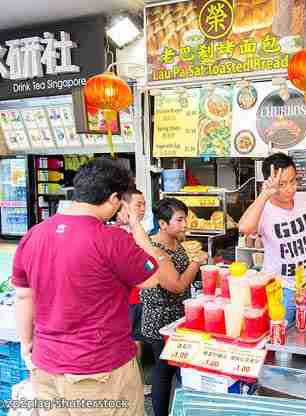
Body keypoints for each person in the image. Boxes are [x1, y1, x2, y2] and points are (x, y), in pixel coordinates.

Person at [12, 158, 181, 416]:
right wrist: (135, 224)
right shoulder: (111, 239)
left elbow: (24, 296)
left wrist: (27, 346)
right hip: (99, 371)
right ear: (115, 199)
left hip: (45, 367)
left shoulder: (34, 234)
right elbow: (152, 277)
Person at [141, 198, 206, 416]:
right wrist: (197, 262)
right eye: (179, 220)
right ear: (162, 224)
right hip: (159, 319)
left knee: (170, 368)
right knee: (166, 369)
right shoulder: (154, 249)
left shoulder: (177, 243)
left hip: (178, 317)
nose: (184, 224)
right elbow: (176, 285)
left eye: (185, 218)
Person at [239, 153, 306, 323]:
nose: (290, 188)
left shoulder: (303, 200)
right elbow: (244, 228)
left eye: (293, 181)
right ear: (269, 183)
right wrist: (264, 195)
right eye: (282, 184)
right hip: (282, 290)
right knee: (282, 340)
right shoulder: (264, 209)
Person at [119, 188, 151, 396]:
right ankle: (136, 385)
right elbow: (148, 264)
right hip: (131, 298)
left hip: (138, 296)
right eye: (138, 204)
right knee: (133, 340)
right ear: (123, 206)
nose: (142, 208)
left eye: (144, 204)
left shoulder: (137, 230)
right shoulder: (122, 234)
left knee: (135, 339)